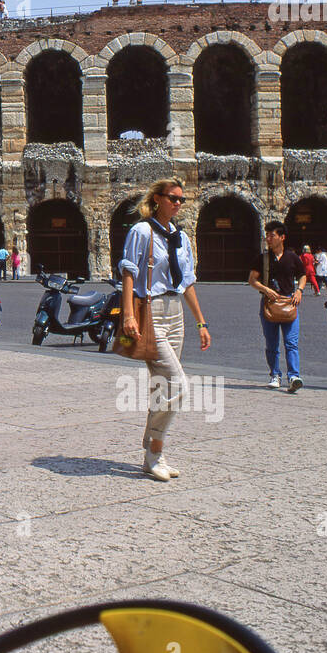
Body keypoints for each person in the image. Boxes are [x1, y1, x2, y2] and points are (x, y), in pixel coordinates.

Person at [119, 177, 210, 482]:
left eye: (181, 199)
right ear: (157, 198)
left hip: (176, 312)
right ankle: (155, 450)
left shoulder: (180, 237)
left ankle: (152, 455)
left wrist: (201, 321)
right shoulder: (141, 231)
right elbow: (129, 273)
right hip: (151, 311)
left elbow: (187, 281)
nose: (178, 203)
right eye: (173, 198)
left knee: (162, 388)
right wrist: (128, 315)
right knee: (178, 385)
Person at [248, 222, 305, 393]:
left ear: (282, 237)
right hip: (269, 304)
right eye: (267, 235)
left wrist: (300, 291)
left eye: (272, 235)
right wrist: (265, 289)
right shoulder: (262, 258)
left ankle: (294, 376)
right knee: (272, 343)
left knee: (291, 342)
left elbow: (302, 275)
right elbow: (252, 280)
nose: (268, 239)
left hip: (289, 302)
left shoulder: (292, 257)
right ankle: (275, 374)